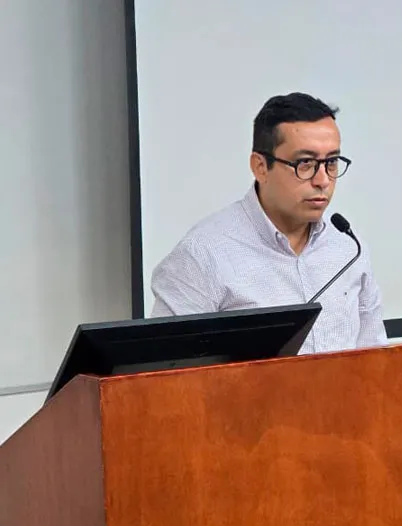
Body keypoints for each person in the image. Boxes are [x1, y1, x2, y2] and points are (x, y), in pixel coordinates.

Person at [149, 92, 388, 353]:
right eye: (305, 163)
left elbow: (374, 359)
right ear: (260, 166)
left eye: (331, 162)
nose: (322, 180)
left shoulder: (347, 246)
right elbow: (166, 376)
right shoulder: (202, 255)